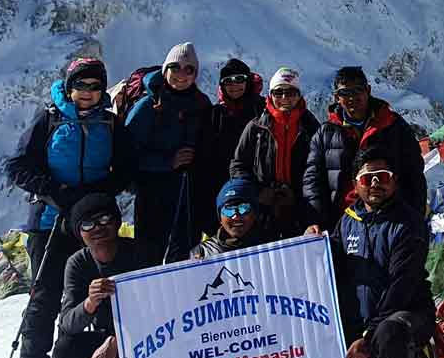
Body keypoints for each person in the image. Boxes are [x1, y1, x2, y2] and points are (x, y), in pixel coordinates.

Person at [4, 57, 132, 358]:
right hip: (51, 219)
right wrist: (55, 193)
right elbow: (18, 166)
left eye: (94, 86)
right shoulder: (49, 119)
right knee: (45, 294)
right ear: (69, 87)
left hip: (93, 221)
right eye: (81, 85)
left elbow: (124, 168)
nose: (88, 93)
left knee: (86, 291)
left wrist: (99, 195)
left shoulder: (110, 122)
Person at [319, 148, 437, 358]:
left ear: (394, 181)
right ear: (356, 184)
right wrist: (315, 241)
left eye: (382, 177)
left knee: (389, 333)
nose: (375, 184)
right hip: (364, 322)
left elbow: (402, 286)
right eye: (367, 178)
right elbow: (331, 261)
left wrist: (367, 335)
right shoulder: (347, 221)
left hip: (406, 314)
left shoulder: (408, 223)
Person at [303, 66, 427, 231]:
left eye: (357, 90)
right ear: (336, 97)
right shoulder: (326, 133)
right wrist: (315, 220)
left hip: (390, 221)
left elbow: (414, 174)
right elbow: (313, 179)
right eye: (345, 93)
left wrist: (414, 216)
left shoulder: (393, 126)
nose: (352, 97)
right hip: (341, 222)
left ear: (368, 90)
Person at [54, 192, 142, 358]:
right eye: (87, 224)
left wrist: (116, 341)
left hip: (144, 335)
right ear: (79, 233)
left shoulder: (141, 252)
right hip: (104, 336)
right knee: (64, 350)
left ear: (117, 222)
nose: (97, 228)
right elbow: (67, 322)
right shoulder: (77, 263)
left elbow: (159, 310)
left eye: (104, 219)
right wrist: (89, 303)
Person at [124, 42, 212, 265]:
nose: (181, 74)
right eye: (175, 67)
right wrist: (168, 162)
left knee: (184, 254)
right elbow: (126, 153)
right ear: (165, 70)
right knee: (149, 254)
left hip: (189, 193)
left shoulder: (201, 104)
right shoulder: (148, 104)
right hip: (152, 191)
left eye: (189, 69)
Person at [230, 67, 320, 238]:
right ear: (270, 95)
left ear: (299, 95)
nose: (284, 98)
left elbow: (319, 169)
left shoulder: (311, 127)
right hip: (262, 210)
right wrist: (257, 193)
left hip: (300, 208)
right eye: (278, 93)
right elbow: (238, 165)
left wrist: (299, 196)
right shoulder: (256, 127)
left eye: (291, 92)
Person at [210, 59, 264, 199]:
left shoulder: (263, 110)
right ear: (222, 85)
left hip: (260, 187)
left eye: (239, 79)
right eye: (228, 81)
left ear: (248, 82)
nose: (234, 85)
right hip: (222, 187)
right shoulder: (215, 114)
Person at [190, 177, 275, 259]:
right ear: (220, 218)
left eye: (243, 209)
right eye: (229, 211)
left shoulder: (273, 244)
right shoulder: (202, 252)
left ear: (255, 213)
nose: (236, 216)